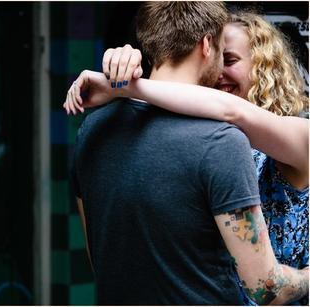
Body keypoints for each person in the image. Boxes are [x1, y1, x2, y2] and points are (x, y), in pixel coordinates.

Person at [67, 2, 308, 305]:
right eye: (223, 55)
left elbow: (102, 260)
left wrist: (126, 88)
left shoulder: (92, 130)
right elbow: (266, 287)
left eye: (232, 59)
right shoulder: (220, 141)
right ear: (207, 45)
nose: (221, 71)